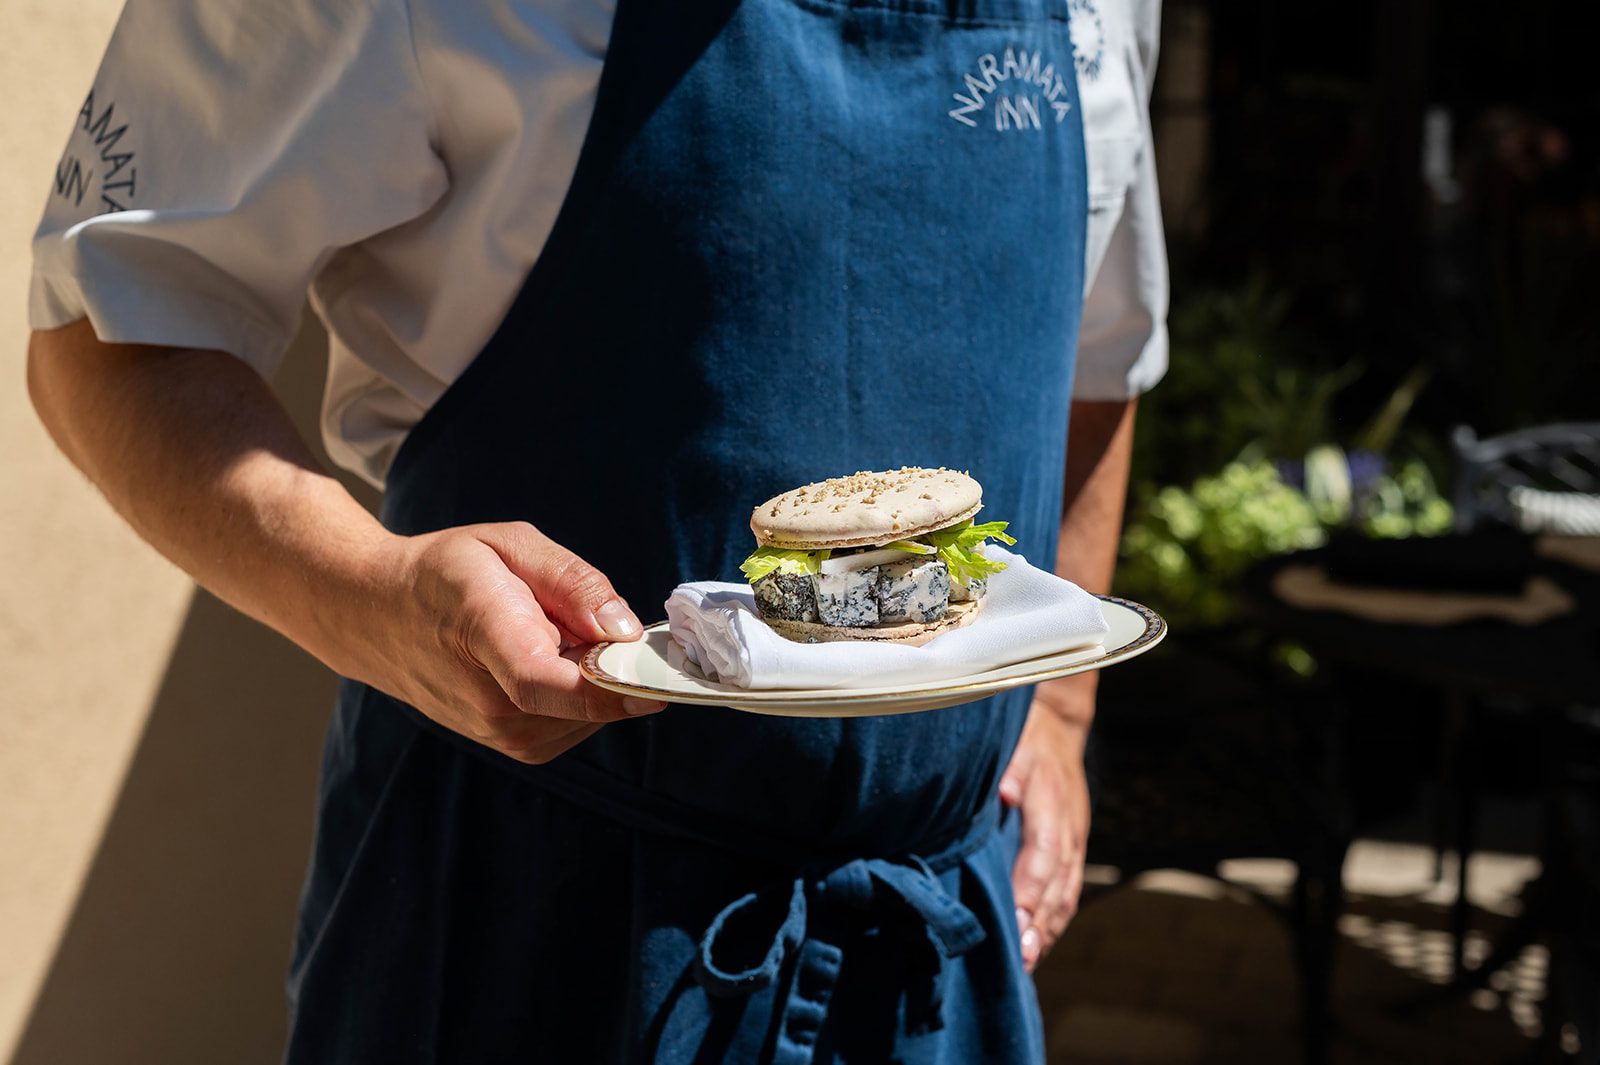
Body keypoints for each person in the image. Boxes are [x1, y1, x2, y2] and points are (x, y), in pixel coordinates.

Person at [27, 0, 1167, 1058]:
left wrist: (1059, 716)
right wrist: (367, 593)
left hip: (928, 961)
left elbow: (1102, 349)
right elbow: (112, 333)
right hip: (519, 920)